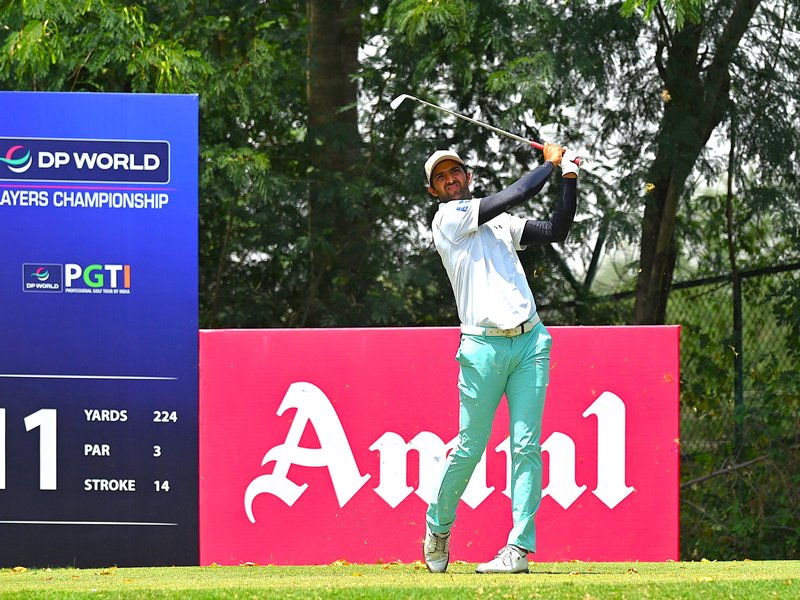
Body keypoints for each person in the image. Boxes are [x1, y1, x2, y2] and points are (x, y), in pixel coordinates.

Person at [422, 143, 579, 574]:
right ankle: (438, 525)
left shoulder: (499, 224)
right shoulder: (448, 220)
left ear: (468, 176)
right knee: (470, 448)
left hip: (530, 342)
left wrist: (568, 177)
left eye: (456, 172)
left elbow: (556, 230)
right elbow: (516, 193)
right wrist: (549, 161)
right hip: (482, 347)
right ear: (434, 191)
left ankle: (518, 550)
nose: (451, 179)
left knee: (527, 446)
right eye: (441, 177)